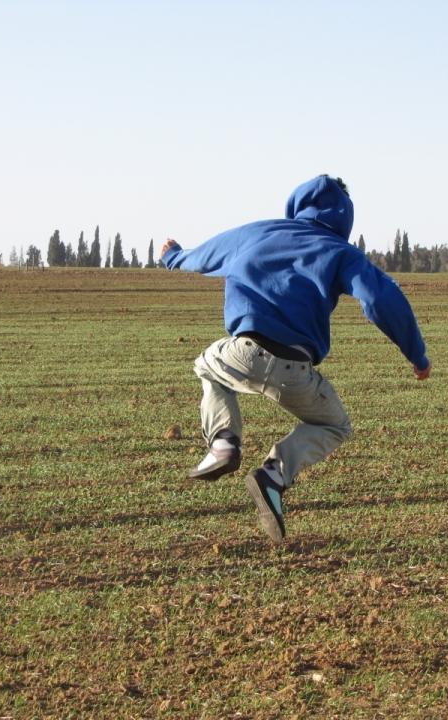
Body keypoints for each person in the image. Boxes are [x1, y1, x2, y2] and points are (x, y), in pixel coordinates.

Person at [161, 175, 431, 542]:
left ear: (296, 204)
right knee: (335, 426)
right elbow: (382, 299)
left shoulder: (259, 232)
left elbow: (204, 256)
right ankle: (273, 475)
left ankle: (224, 443)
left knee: (207, 367)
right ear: (345, 219)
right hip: (296, 372)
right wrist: (417, 355)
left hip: (242, 352)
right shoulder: (342, 253)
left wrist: (173, 255)